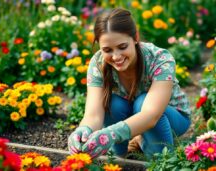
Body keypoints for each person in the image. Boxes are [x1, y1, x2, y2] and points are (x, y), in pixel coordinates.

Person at [67, 8, 191, 159]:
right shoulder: (98, 63)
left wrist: (111, 133)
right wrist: (83, 130)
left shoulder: (159, 59)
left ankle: (158, 158)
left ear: (135, 37)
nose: (116, 56)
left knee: (142, 102)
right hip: (132, 114)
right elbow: (93, 115)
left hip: (173, 118)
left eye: (122, 47)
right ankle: (118, 157)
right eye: (107, 50)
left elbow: (150, 115)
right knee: (111, 103)